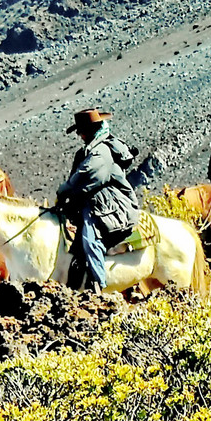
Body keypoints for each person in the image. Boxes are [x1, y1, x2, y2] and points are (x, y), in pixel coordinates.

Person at [56, 108, 140, 291]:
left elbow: (87, 177)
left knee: (90, 237)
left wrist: (63, 191)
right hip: (101, 201)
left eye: (81, 131)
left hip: (111, 206)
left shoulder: (100, 151)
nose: (79, 135)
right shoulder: (93, 148)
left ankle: (97, 286)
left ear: (90, 130)